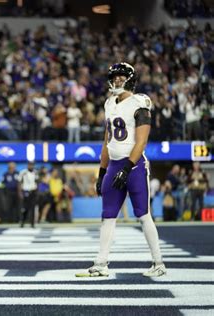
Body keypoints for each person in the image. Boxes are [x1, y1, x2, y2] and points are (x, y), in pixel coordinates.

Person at [76, 63, 166, 278]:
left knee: (143, 215)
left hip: (133, 166)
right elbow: (107, 140)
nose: (116, 80)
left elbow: (141, 141)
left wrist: (127, 168)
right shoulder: (109, 103)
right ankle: (101, 263)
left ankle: (158, 262)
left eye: (121, 77)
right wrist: (102, 171)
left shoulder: (139, 103)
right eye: (114, 77)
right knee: (107, 215)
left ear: (130, 79)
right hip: (114, 164)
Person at [18, 161, 38, 228]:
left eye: (32, 165)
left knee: (33, 208)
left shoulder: (35, 172)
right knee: (25, 208)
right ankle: (22, 222)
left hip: (33, 191)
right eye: (29, 165)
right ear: (27, 165)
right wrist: (20, 193)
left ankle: (32, 223)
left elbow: (37, 182)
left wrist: (36, 190)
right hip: (25, 191)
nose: (31, 166)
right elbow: (19, 183)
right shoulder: (23, 172)